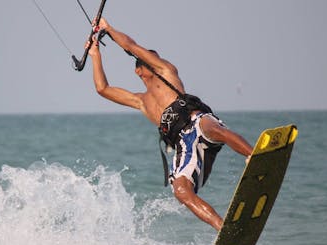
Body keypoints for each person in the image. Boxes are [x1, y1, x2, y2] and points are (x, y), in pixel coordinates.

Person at [86, 18, 253, 231]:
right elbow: (103, 89)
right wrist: (95, 55)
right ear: (138, 71)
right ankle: (225, 229)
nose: (154, 60)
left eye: (153, 56)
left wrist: (108, 29)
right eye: (148, 58)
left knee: (214, 129)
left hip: (198, 122)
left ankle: (254, 155)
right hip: (184, 145)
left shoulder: (166, 71)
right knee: (181, 191)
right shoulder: (141, 102)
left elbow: (131, 46)